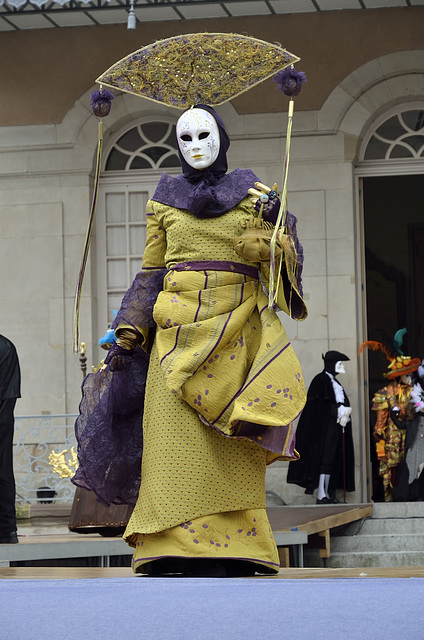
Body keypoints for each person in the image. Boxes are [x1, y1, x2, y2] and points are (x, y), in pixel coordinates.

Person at [73, 104, 307, 576]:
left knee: (229, 445)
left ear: (221, 137)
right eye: (186, 138)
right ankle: (169, 546)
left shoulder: (255, 194)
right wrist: (129, 330)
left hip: (236, 329)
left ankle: (237, 548)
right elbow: (152, 271)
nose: (196, 146)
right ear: (177, 146)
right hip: (174, 332)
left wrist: (280, 227)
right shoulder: (162, 199)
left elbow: (280, 271)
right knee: (171, 443)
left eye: (205, 136)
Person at [286, 351, 355, 503]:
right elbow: (317, 408)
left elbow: (341, 403)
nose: (342, 367)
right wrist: (338, 411)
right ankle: (321, 494)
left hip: (336, 429)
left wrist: (344, 414)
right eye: (340, 364)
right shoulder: (320, 381)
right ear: (332, 364)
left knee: (333, 460)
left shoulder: (336, 383)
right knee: (324, 461)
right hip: (324, 431)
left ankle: (330, 493)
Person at [371, 355, 420, 501]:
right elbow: (381, 419)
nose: (410, 377)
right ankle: (389, 496)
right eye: (406, 374)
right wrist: (380, 435)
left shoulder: (415, 392)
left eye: (411, 374)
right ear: (399, 376)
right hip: (392, 436)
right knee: (391, 466)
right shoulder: (386, 392)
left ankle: (410, 494)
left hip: (411, 433)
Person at [0, 334, 21, 544]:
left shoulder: (5, 347)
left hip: (2, 415)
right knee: (3, 469)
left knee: (3, 470)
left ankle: (6, 528)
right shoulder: (6, 346)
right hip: (3, 416)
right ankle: (7, 529)